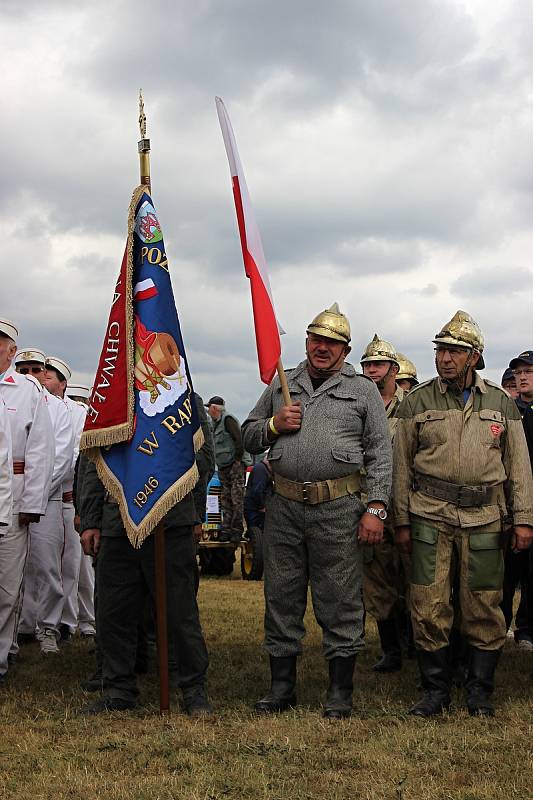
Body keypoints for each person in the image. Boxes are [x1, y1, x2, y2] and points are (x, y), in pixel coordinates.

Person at [242, 303, 392, 719]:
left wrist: (376, 508)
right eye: (314, 339)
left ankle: (340, 692)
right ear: (306, 342)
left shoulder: (363, 390)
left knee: (340, 598)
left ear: (345, 349)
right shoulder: (283, 382)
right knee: (281, 596)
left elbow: (381, 453)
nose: (320, 348)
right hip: (285, 506)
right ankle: (281, 688)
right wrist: (274, 424)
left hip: (340, 508)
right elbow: (249, 435)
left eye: (331, 342)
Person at [393, 310, 533, 717]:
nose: (444, 358)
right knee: (427, 602)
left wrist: (523, 519)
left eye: (454, 351)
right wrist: (401, 520)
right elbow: (401, 466)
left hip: (486, 519)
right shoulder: (417, 401)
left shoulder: (501, 404)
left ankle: (479, 692)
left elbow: (519, 466)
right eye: (440, 350)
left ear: (474, 356)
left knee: (483, 604)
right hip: (428, 516)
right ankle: (435, 691)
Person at [79, 460, 211, 715]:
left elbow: (202, 456)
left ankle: (193, 689)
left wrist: (196, 513)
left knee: (180, 612)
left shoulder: (187, 416)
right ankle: (119, 688)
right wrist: (91, 519)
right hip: (117, 519)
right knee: (114, 611)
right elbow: (93, 460)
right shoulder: (105, 416)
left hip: (170, 518)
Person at [0, 322, 54, 684]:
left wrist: (32, 502)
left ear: (10, 350)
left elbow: (42, 449)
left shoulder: (26, 390)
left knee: (6, 585)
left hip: (13, 498)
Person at [15, 348, 73, 655]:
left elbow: (61, 459)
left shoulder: (57, 408)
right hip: (9, 498)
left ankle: (49, 626)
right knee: (12, 567)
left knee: (48, 566)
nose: (29, 376)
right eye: (22, 369)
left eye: (36, 370)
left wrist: (33, 496)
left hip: (47, 500)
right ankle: (19, 626)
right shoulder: (8, 398)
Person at [360, 335, 408, 673]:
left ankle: (420, 645)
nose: (371, 370)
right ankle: (390, 649)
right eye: (367, 365)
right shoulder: (358, 404)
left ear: (393, 368)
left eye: (377, 364)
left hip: (408, 505)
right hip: (370, 505)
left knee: (416, 579)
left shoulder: (413, 405)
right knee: (378, 580)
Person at [44, 357, 88, 640]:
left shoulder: (75, 412)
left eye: (45, 374)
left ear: (62, 383)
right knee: (43, 566)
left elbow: (73, 457)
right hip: (42, 497)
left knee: (72, 566)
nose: (39, 378)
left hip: (66, 496)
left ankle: (70, 622)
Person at [205, 395, 246, 542]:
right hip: (223, 466)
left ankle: (236, 530)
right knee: (225, 498)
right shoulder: (215, 424)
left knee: (237, 498)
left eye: (209, 408)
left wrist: (237, 461)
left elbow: (239, 440)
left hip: (235, 465)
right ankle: (226, 529)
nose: (208, 411)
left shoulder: (228, 420)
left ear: (215, 408)